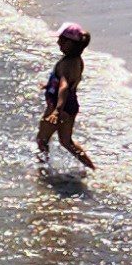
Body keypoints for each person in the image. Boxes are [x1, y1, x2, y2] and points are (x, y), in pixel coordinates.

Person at [38, 23, 95, 169]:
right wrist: (49, 86)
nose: (58, 43)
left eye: (61, 41)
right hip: (71, 106)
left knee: (42, 140)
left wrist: (57, 111)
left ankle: (43, 170)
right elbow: (70, 82)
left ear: (69, 43)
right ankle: (91, 167)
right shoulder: (77, 62)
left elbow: (63, 87)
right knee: (66, 142)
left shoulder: (66, 64)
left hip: (59, 107)